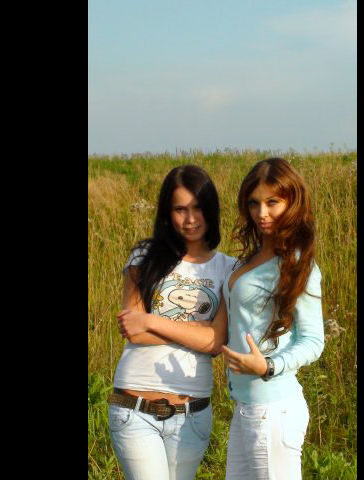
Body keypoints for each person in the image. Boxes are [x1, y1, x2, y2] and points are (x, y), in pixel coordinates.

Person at [118, 157, 325, 480]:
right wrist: (197, 331)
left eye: (272, 202)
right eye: (254, 203)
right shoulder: (248, 261)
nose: (262, 213)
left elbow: (312, 339)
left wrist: (269, 366)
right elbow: (139, 328)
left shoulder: (297, 264)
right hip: (245, 407)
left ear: (292, 202)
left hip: (273, 405)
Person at [109, 164, 236, 480]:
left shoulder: (228, 268)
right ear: (167, 213)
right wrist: (200, 333)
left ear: (211, 209)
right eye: (180, 209)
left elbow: (217, 342)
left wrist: (151, 321)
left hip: (192, 414)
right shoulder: (145, 255)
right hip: (135, 408)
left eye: (198, 208)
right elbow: (134, 331)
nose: (190, 219)